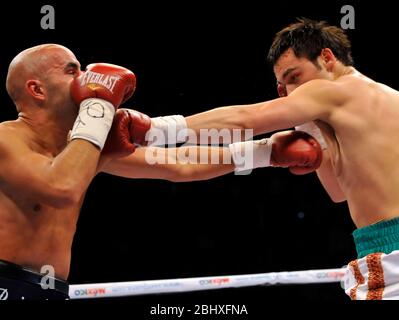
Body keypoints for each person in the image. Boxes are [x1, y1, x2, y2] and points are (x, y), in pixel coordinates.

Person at [0, 44, 322, 300]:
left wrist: (266, 152)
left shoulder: (83, 148)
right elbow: (61, 188)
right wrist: (97, 109)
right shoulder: (5, 139)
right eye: (72, 71)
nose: (86, 78)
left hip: (52, 290)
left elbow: (177, 163)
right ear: (37, 90)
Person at [138, 18, 399, 300]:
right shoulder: (385, 97)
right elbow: (338, 191)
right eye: (283, 85)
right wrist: (310, 126)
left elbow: (244, 120)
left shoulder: (333, 90)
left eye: (295, 77)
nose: (291, 92)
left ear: (327, 57)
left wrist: (155, 130)